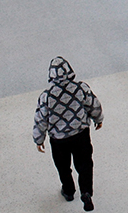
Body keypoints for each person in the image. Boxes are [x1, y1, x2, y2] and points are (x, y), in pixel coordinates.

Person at [33, 56, 103, 211]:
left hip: (59, 140)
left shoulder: (47, 96)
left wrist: (38, 139)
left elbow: (41, 119)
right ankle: (86, 192)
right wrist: (98, 119)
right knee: (84, 164)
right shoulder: (80, 88)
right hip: (81, 135)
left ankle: (69, 191)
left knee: (63, 166)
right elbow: (93, 105)